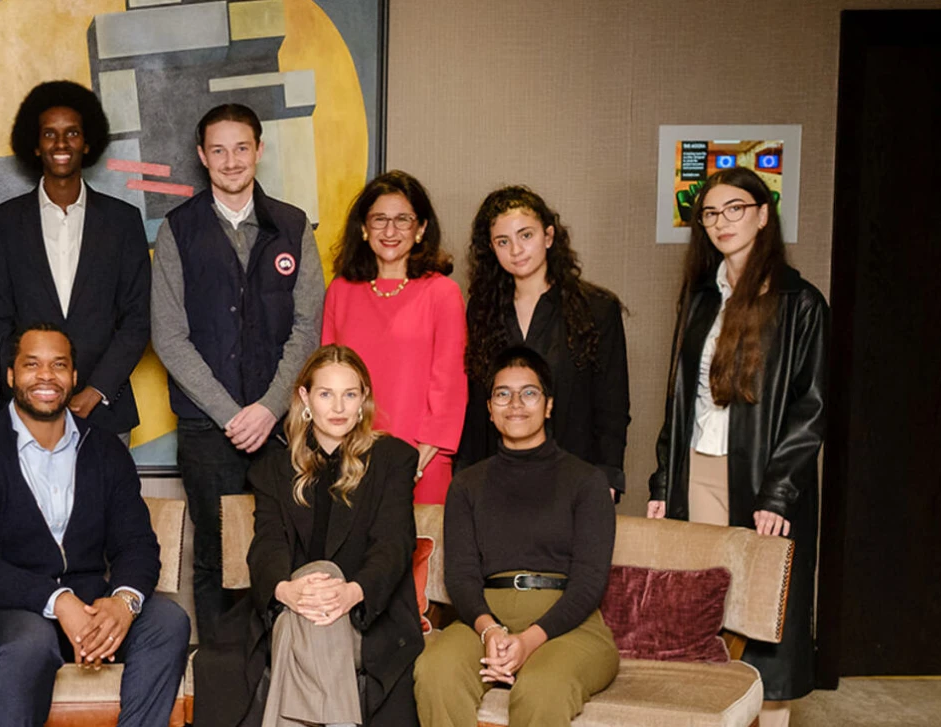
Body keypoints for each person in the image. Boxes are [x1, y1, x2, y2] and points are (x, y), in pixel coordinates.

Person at [647, 166, 827, 726]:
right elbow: (679, 399)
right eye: (710, 213)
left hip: (762, 477)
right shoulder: (701, 297)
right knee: (704, 609)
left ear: (763, 215)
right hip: (698, 468)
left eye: (735, 209)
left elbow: (810, 407)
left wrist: (778, 494)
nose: (722, 222)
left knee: (766, 616)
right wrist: (664, 482)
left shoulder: (800, 302)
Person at [0, 324, 189, 727]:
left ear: (74, 377)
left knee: (168, 621)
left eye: (58, 365)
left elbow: (137, 544)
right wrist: (57, 600)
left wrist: (123, 602)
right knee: (31, 642)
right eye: (31, 365)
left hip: (87, 600)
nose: (46, 376)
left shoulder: (105, 451)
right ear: (11, 376)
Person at [150, 103, 323, 642]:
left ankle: (281, 669)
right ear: (202, 157)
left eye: (241, 148)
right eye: (218, 150)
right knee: (214, 556)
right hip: (208, 430)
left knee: (288, 551)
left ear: (259, 150)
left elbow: (308, 328)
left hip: (284, 428)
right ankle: (222, 670)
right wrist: (232, 415)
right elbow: (169, 337)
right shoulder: (178, 230)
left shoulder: (292, 225)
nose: (231, 161)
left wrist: (269, 409)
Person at [196, 344, 423, 727]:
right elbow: (268, 543)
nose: (339, 407)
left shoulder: (392, 459)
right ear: (305, 397)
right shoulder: (273, 469)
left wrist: (350, 593)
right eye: (326, 394)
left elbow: (394, 544)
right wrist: (285, 591)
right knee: (311, 610)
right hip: (290, 607)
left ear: (363, 399)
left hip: (366, 614)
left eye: (349, 395)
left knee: (320, 599)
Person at [414, 347, 618, 727]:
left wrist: (528, 641)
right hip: (485, 619)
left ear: (549, 405)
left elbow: (590, 582)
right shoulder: (466, 485)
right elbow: (460, 575)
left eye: (529, 393)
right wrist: (489, 630)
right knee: (435, 671)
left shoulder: (587, 482)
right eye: (503, 394)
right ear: (490, 409)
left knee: (542, 689)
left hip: (568, 624)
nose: (515, 404)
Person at [0, 80, 151, 442]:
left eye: (72, 132)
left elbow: (137, 319)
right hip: (26, 410)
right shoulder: (3, 223)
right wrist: (31, 391)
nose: (61, 144)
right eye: (49, 134)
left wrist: (97, 390)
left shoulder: (123, 222)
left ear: (87, 143)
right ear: (35, 144)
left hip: (105, 411)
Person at [458, 186, 628, 499]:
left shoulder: (597, 308)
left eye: (526, 235)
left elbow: (612, 405)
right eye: (503, 241)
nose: (516, 250)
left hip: (573, 478)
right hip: (496, 476)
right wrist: (464, 474)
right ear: (491, 249)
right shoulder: (482, 310)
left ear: (548, 236)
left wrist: (608, 476)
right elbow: (476, 405)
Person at [322, 170, 466, 504]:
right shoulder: (340, 291)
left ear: (421, 229)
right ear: (363, 228)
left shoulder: (443, 293)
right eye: (379, 220)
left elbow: (450, 384)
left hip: (422, 459)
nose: (390, 231)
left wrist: (419, 457)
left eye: (403, 220)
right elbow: (326, 381)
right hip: (350, 456)